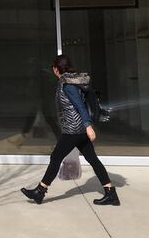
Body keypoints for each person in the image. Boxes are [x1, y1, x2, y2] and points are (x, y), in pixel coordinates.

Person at [21, 54, 119, 206]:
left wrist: (88, 126)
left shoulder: (67, 84)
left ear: (56, 69)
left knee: (55, 158)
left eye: (53, 68)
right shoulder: (74, 80)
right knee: (92, 159)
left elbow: (79, 105)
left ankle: (39, 192)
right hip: (78, 129)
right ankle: (110, 192)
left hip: (73, 129)